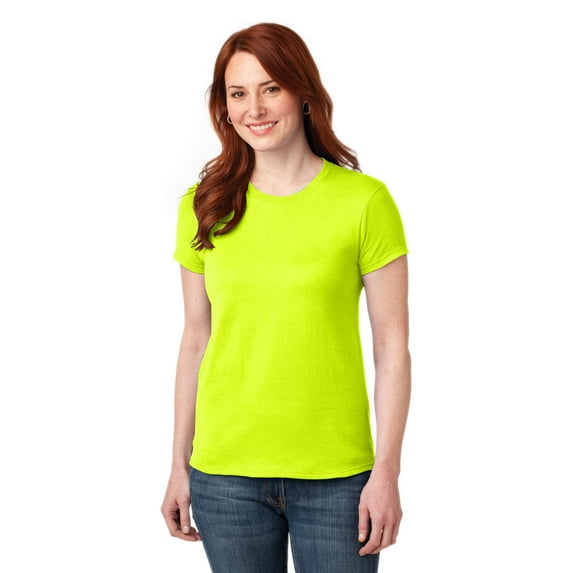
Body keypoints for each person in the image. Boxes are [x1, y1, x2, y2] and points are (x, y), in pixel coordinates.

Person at [161, 22, 411, 573]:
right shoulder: (203, 206)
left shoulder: (365, 202)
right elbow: (195, 339)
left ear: (303, 93)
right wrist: (178, 463)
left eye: (270, 88)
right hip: (225, 476)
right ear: (224, 107)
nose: (255, 108)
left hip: (338, 478)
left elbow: (392, 346)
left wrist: (387, 471)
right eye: (238, 93)